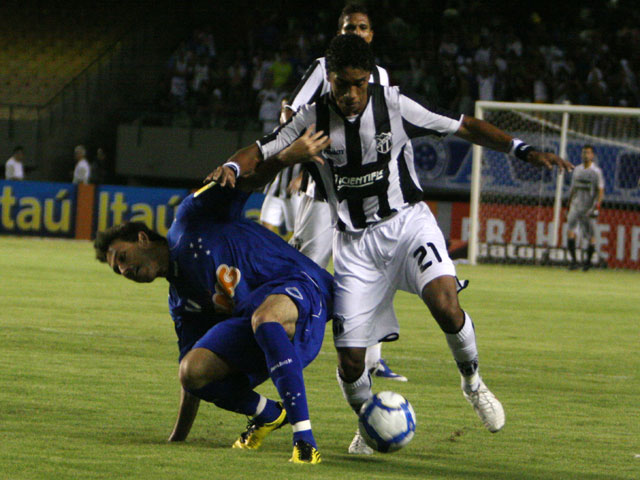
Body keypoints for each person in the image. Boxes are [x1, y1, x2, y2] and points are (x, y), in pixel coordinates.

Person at [207, 34, 574, 451]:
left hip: (407, 226)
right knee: (350, 363)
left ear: (369, 78)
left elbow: (463, 126)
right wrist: (233, 165)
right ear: (328, 80)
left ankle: (473, 383)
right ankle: (370, 422)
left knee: (445, 303)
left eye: (359, 84)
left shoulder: (395, 106)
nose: (350, 94)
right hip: (355, 247)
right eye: (342, 84)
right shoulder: (311, 118)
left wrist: (522, 150)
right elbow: (260, 149)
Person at [93, 181, 333, 464]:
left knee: (265, 317)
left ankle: (305, 442)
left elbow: (242, 180)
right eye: (118, 270)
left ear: (143, 239)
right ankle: (269, 413)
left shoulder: (191, 219)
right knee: (192, 370)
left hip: (301, 284)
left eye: (123, 257)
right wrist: (177, 438)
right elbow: (192, 379)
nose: (124, 269)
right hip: (259, 322)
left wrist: (286, 155)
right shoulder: (182, 301)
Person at [281, 4, 408, 408]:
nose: (356, 31)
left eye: (363, 27)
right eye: (349, 26)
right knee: (307, 265)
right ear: (338, 34)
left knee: (376, 269)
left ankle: (372, 358)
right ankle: (284, 339)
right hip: (324, 191)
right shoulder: (323, 69)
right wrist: (301, 156)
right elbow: (290, 113)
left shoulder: (382, 78)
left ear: (372, 34)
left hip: (366, 200)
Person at [566, 145, 604, 271]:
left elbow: (600, 191)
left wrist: (597, 206)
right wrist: (569, 203)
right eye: (583, 153)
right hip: (576, 206)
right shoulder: (577, 170)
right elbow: (573, 188)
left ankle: (587, 263)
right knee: (571, 231)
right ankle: (574, 262)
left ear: (592, 155)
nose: (585, 155)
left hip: (589, 208)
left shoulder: (596, 172)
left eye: (588, 153)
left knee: (590, 235)